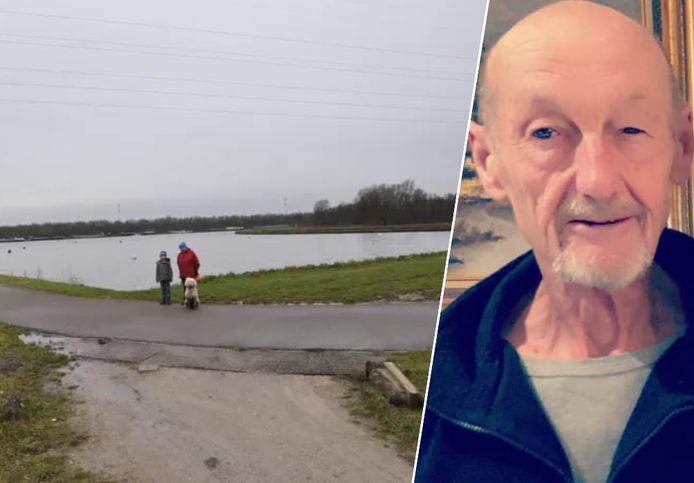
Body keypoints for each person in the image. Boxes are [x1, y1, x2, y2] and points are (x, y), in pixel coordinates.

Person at [415, 2, 694, 482]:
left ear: (682, 146)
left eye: (631, 129)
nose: (598, 182)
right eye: (546, 132)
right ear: (488, 163)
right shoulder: (434, 378)